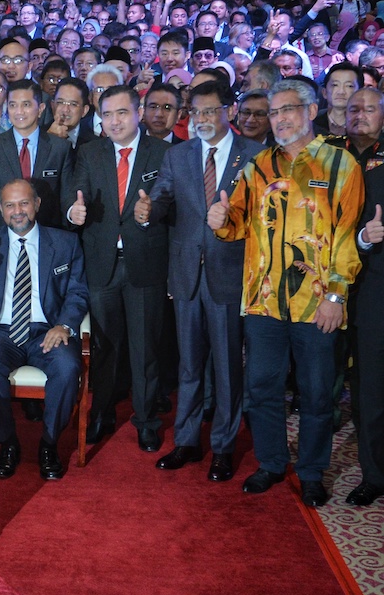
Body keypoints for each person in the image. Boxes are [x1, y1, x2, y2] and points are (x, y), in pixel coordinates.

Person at [207, 79, 364, 507]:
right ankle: (272, 463)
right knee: (262, 389)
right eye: (273, 112)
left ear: (311, 111)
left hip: (318, 303)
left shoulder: (340, 165)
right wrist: (220, 217)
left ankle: (312, 472)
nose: (278, 119)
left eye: (287, 110)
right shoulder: (257, 167)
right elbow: (237, 225)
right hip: (262, 301)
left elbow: (347, 234)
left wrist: (336, 295)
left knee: (316, 394)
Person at [138, 81, 265, 481]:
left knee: (228, 368)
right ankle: (188, 442)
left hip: (230, 274)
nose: (203, 119)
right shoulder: (179, 155)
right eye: (196, 113)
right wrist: (148, 210)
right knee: (189, 367)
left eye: (211, 111)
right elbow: (163, 199)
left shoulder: (255, 155)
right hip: (187, 275)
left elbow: (265, 217)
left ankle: (224, 448)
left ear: (229, 110)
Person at [0, 180, 88, 479]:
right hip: (3, 330)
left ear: (37, 204)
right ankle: (8, 443)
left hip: (48, 329)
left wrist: (65, 325)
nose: (17, 212)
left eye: (24, 204)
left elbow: (78, 292)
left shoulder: (64, 242)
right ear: (0, 210)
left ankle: (49, 443)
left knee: (69, 367)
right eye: (9, 205)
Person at [67, 85, 171, 452]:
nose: (114, 121)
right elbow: (74, 195)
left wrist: (153, 211)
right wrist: (73, 212)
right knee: (104, 347)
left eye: (121, 113)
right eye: (106, 114)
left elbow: (173, 203)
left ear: (138, 112)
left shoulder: (163, 152)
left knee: (145, 349)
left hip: (146, 262)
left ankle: (146, 420)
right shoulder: (90, 152)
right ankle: (102, 415)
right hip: (101, 264)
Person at [0, 79, 73, 230]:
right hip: (1, 235)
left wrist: (72, 213)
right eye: (13, 105)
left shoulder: (60, 148)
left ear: (40, 109)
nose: (19, 111)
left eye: (26, 105)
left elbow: (66, 196)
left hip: (47, 235)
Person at [351, 87, 384, 507]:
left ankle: (376, 473)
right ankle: (372, 471)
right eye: (354, 108)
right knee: (366, 387)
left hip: (375, 284)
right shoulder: (334, 155)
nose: (360, 114)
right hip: (355, 286)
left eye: (370, 108)